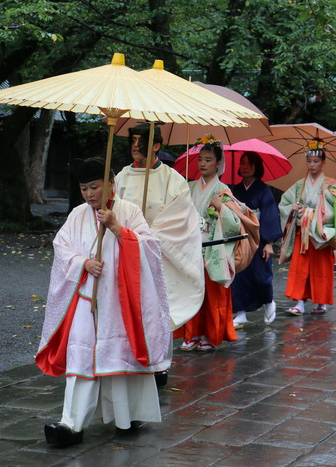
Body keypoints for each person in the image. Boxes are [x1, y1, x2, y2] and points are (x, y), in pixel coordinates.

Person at [36, 158, 170, 448]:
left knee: (119, 358)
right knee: (81, 357)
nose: (89, 194)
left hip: (119, 303)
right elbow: (62, 247)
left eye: (94, 187)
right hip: (86, 300)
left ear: (111, 183)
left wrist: (119, 229)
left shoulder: (129, 211)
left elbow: (150, 249)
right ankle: (71, 425)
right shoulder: (77, 215)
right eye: (83, 188)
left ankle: (127, 415)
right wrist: (84, 263)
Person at [114, 123, 204, 382]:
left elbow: (180, 220)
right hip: (125, 252)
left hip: (157, 255)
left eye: (141, 142)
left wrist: (147, 235)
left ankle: (159, 364)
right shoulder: (121, 177)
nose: (134, 147)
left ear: (155, 146)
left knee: (157, 308)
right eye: (132, 140)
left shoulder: (173, 180)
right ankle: (126, 358)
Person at [278, 141, 336, 315]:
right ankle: (299, 302)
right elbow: (285, 203)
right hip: (302, 233)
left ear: (323, 162)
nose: (312, 164)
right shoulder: (300, 185)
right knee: (299, 267)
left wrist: (311, 213)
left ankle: (321, 301)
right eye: (309, 161)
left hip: (321, 234)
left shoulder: (330, 185)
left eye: (316, 161)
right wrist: (292, 208)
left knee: (321, 268)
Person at [174, 140, 240, 351]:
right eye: (200, 159)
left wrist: (222, 209)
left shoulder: (223, 190)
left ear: (218, 163)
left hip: (211, 246)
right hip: (190, 245)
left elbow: (234, 223)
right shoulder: (189, 186)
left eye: (208, 160)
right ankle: (191, 333)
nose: (203, 164)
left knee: (212, 294)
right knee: (190, 291)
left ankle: (210, 336)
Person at [230, 151, 281, 327]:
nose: (245, 167)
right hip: (239, 238)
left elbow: (270, 215)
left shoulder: (264, 190)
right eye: (242, 163)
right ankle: (241, 312)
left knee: (261, 275)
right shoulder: (234, 189)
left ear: (257, 167)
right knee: (239, 276)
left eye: (250, 164)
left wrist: (269, 243)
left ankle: (269, 302)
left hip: (258, 239)